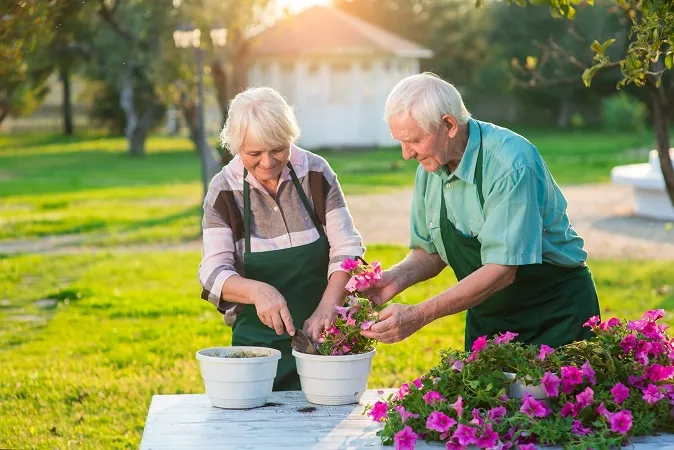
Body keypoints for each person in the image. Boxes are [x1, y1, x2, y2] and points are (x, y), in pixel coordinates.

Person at [360, 72, 600, 351]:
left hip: (554, 313)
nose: (406, 153)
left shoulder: (511, 163)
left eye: (413, 140)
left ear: (448, 124)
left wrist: (419, 314)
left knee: (555, 395)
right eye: (400, 141)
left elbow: (503, 269)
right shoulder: (430, 168)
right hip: (489, 317)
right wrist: (394, 279)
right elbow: (431, 252)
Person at [198, 87, 364, 390]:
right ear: (236, 147)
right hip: (259, 353)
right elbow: (212, 274)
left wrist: (328, 306)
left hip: (324, 344)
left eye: (277, 149)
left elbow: (348, 249)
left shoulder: (315, 172)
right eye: (254, 154)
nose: (267, 162)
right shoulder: (223, 191)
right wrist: (258, 292)